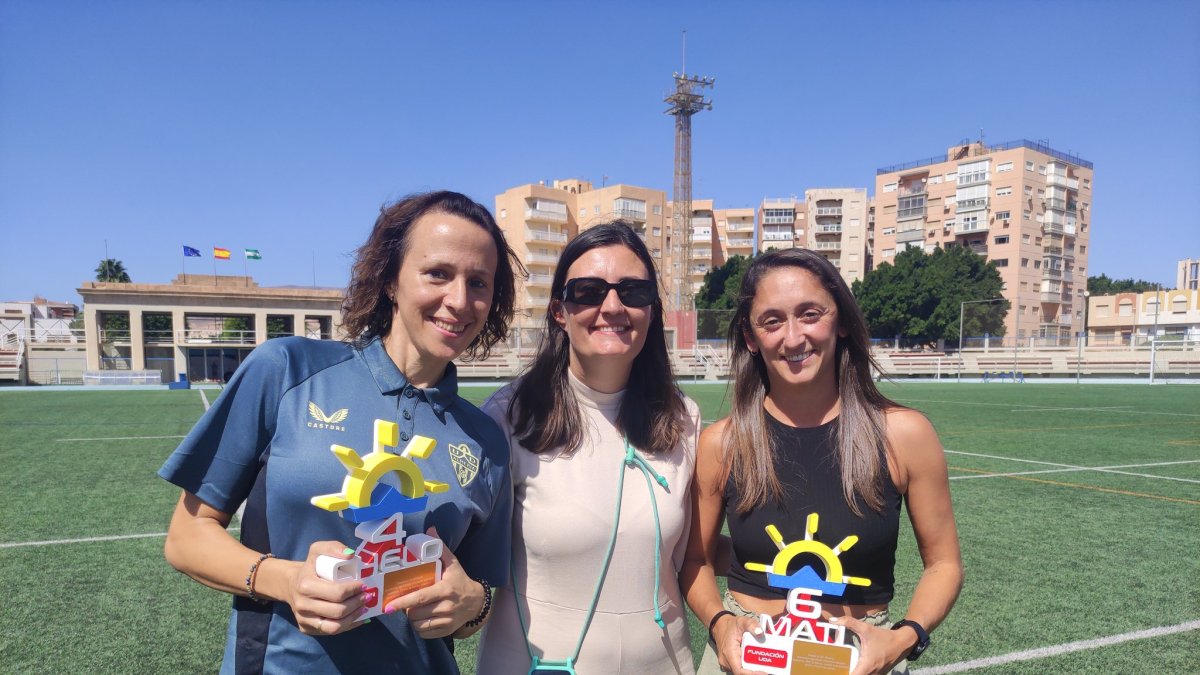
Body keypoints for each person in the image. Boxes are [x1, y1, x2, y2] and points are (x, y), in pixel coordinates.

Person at [159, 191, 522, 673]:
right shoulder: (285, 371)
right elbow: (186, 538)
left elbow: (474, 598)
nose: (458, 300)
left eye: (479, 282)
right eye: (438, 273)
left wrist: (470, 605)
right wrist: (284, 581)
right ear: (391, 279)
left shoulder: (485, 440)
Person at [683, 249, 963, 675]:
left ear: (843, 321)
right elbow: (696, 561)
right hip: (748, 655)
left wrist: (902, 639)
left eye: (810, 314)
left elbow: (944, 564)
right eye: (772, 320)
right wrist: (721, 626)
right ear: (751, 336)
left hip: (861, 656)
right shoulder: (723, 443)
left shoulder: (905, 435)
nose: (793, 337)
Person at [476, 222, 702, 674]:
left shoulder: (685, 419)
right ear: (559, 310)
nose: (612, 306)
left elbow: (693, 556)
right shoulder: (508, 417)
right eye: (589, 291)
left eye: (634, 292)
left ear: (652, 311)